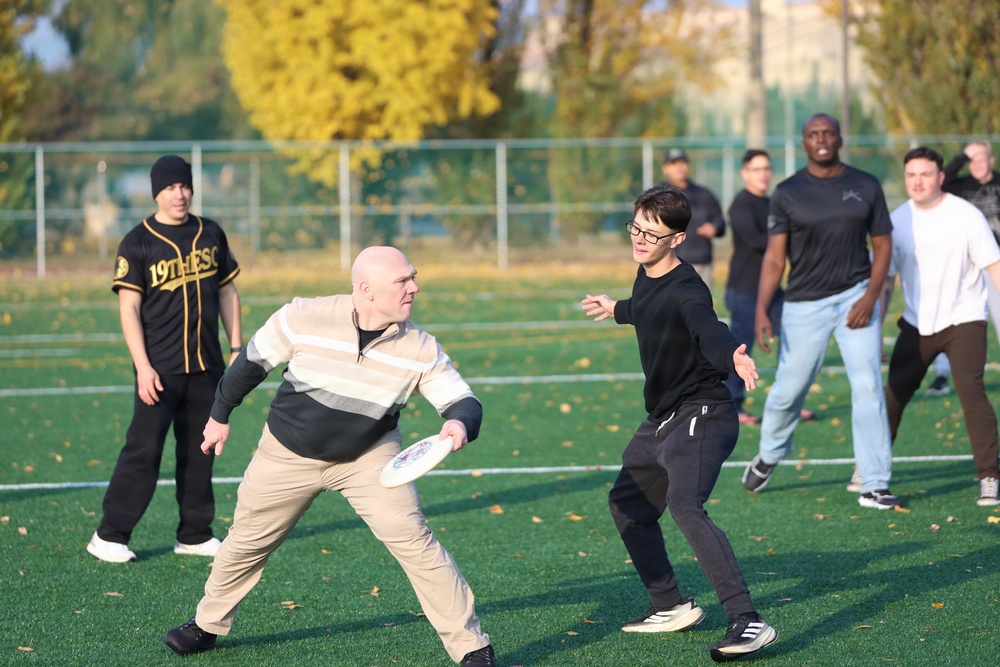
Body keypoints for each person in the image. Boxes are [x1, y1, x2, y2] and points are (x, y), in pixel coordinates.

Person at [162, 247, 497, 667]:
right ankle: (206, 626)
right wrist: (219, 416)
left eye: (413, 277)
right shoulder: (303, 315)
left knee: (416, 544)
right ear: (366, 290)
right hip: (286, 451)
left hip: (369, 457)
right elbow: (250, 363)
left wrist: (460, 424)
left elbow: (463, 400)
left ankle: (472, 648)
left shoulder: (420, 347)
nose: (415, 287)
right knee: (245, 542)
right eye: (403, 281)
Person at [582, 185, 778, 663]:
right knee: (628, 503)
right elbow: (648, 308)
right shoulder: (647, 274)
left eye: (652, 233)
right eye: (637, 227)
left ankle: (748, 620)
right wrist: (617, 310)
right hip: (663, 418)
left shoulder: (690, 287)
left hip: (704, 413)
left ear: (678, 238)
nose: (641, 239)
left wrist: (730, 353)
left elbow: (703, 325)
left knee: (684, 504)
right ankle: (669, 604)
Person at [86, 154, 243, 563]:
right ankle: (110, 535)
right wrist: (142, 366)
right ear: (157, 192)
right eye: (171, 187)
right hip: (160, 368)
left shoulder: (211, 233)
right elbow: (129, 309)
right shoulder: (137, 241)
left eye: (184, 186)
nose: (180, 194)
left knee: (200, 451)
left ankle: (194, 533)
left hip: (207, 366)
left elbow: (227, 292)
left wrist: (237, 347)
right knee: (143, 451)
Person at [741, 113, 899, 509]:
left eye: (828, 133)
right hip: (802, 305)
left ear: (839, 139)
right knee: (787, 392)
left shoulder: (866, 185)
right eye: (813, 134)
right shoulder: (787, 192)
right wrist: (762, 310)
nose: (822, 139)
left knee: (868, 388)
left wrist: (870, 298)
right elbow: (775, 260)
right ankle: (771, 452)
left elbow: (883, 247)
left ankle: (875, 481)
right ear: (804, 144)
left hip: (855, 299)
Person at [884, 147, 1000, 506]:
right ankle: (872, 469)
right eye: (911, 175)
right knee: (893, 395)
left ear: (940, 177)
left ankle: (990, 477)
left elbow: (993, 266)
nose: (918, 182)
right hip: (918, 323)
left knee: (970, 391)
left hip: (964, 318)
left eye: (925, 174)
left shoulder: (965, 216)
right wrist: (874, 320)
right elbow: (887, 278)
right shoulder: (898, 219)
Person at [724, 149, 815, 425]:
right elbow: (757, 241)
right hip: (743, 291)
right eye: (756, 169)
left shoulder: (773, 202)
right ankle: (733, 407)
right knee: (741, 350)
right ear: (744, 173)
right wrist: (787, 239)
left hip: (773, 290)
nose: (763, 174)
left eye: (766, 169)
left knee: (794, 338)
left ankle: (789, 401)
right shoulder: (740, 205)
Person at [924, 142, 1000, 396]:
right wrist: (962, 156)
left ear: (991, 160)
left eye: (982, 159)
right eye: (972, 161)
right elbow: (939, 181)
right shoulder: (959, 186)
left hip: (995, 265)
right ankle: (942, 376)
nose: (977, 165)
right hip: (965, 267)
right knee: (950, 319)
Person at [661, 148, 726, 290]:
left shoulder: (704, 194)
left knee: (700, 308)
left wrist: (714, 227)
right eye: (674, 163)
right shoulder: (658, 195)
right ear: (665, 168)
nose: (679, 167)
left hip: (700, 264)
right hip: (668, 263)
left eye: (683, 162)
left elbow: (720, 222)